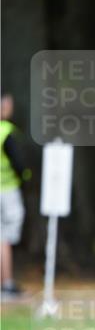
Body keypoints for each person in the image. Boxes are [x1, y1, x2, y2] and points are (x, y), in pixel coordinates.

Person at [0, 94, 28, 299]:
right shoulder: (6, 132)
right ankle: (7, 283)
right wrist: (27, 178)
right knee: (5, 236)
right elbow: (19, 165)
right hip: (7, 190)